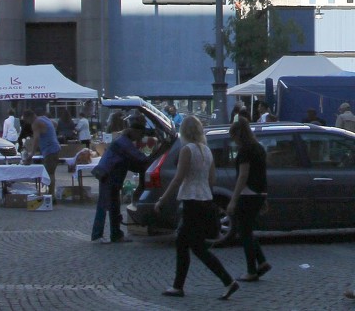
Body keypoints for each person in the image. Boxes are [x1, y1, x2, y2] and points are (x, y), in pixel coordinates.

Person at [155, 116, 238, 299]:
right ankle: (180, 285)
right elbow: (212, 180)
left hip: (191, 201)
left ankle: (226, 280)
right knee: (187, 245)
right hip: (204, 200)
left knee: (193, 247)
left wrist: (162, 200)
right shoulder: (206, 150)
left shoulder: (187, 150)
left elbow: (178, 178)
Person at [90, 114, 152, 243]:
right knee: (104, 205)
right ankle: (97, 235)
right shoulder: (124, 143)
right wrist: (154, 159)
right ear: (135, 131)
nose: (140, 138)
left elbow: (133, 162)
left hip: (111, 175)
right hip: (108, 175)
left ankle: (116, 234)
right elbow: (139, 158)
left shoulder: (123, 140)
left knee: (114, 205)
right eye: (140, 135)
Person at [225, 117, 270, 282]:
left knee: (244, 231)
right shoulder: (259, 148)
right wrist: (264, 197)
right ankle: (262, 262)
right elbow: (262, 174)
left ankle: (252, 270)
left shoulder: (245, 151)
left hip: (248, 193)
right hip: (259, 192)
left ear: (238, 134)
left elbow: (243, 175)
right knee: (247, 230)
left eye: (233, 136)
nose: (233, 140)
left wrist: (233, 200)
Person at [22, 109, 62, 200]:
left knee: (50, 173)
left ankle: (52, 196)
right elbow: (55, 123)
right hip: (55, 148)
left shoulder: (35, 123)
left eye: (26, 120)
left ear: (29, 117)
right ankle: (51, 194)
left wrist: (32, 153)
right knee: (51, 172)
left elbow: (36, 138)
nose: (27, 123)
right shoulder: (44, 118)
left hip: (50, 150)